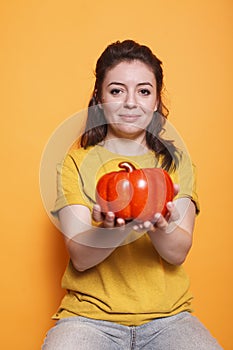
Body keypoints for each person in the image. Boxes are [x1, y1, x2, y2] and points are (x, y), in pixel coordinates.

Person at [42, 40, 222, 349]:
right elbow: (81, 258)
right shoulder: (75, 162)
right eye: (116, 90)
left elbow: (177, 252)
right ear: (99, 96)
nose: (130, 102)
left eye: (143, 91)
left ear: (155, 101)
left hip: (169, 318)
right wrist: (118, 226)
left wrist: (160, 224)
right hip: (88, 319)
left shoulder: (176, 164)